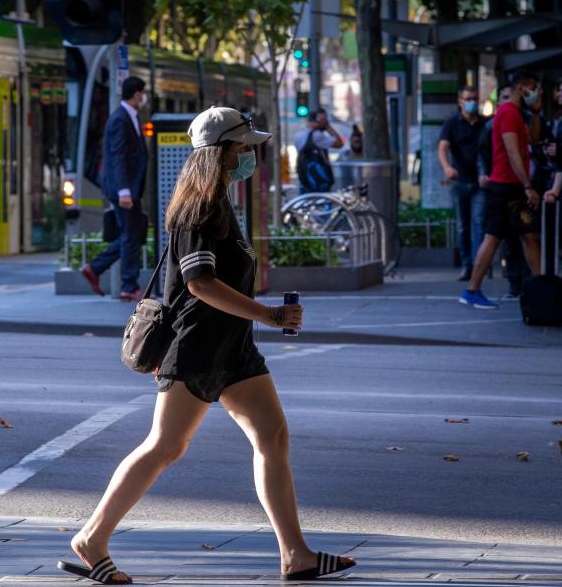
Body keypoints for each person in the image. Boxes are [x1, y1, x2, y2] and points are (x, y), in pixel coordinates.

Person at [58, 107, 355, 585]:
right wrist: (269, 315)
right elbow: (199, 283)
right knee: (164, 447)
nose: (250, 157)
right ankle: (91, 539)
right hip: (198, 348)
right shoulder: (200, 208)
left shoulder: (218, 201)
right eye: (243, 149)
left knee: (272, 436)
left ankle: (295, 554)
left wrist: (258, 319)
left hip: (233, 349)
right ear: (222, 153)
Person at [460, 72, 543, 310]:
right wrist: (528, 185)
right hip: (506, 188)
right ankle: (472, 290)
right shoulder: (507, 114)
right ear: (522, 89)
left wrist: (536, 111)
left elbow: (533, 141)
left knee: (528, 236)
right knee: (495, 237)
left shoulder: (518, 114)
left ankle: (538, 288)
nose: (537, 92)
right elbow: (513, 152)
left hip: (511, 187)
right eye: (533, 88)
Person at [80, 77, 149, 301]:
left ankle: (95, 268)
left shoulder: (129, 116)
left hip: (129, 186)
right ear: (137, 94)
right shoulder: (120, 119)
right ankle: (128, 286)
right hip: (123, 188)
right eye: (142, 93)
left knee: (134, 232)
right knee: (130, 234)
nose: (143, 98)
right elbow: (118, 157)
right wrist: (124, 191)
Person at [439, 85, 486, 281]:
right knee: (462, 226)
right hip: (459, 181)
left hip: (480, 182)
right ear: (460, 101)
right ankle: (467, 265)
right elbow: (442, 148)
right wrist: (447, 168)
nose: (471, 102)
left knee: (478, 223)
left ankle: (477, 265)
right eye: (467, 98)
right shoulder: (452, 124)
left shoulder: (485, 124)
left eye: (474, 98)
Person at [294, 109, 343, 193]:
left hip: (304, 179)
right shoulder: (317, 135)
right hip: (319, 182)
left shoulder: (298, 134)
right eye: (324, 120)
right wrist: (328, 127)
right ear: (318, 120)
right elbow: (339, 143)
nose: (325, 122)